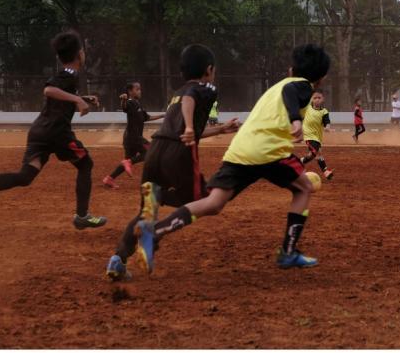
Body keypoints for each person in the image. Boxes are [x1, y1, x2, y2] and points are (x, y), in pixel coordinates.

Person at [132, 44, 330, 274]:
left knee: (214, 203)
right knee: (304, 188)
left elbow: (287, 95)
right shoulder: (301, 86)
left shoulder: (278, 86)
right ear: (321, 78)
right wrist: (296, 120)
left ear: (289, 69)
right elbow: (292, 95)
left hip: (241, 149)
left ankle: (154, 230)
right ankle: (288, 251)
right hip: (268, 152)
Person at [106, 44, 240, 281]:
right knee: (205, 200)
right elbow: (189, 111)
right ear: (209, 69)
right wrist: (189, 126)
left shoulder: (177, 92)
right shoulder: (206, 87)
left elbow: (186, 124)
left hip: (156, 149)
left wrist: (221, 129)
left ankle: (117, 260)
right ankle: (155, 227)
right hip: (179, 153)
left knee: (146, 212)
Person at [0, 31, 106, 230]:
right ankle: (82, 216)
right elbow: (49, 90)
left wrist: (84, 98)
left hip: (40, 132)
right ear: (80, 54)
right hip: (58, 134)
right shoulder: (69, 74)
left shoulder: (69, 76)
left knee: (25, 177)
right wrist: (77, 99)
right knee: (86, 164)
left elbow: (59, 94)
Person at [102, 81, 163, 189]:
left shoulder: (137, 104)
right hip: (134, 138)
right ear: (130, 91)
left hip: (129, 138)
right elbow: (124, 108)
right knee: (151, 152)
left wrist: (163, 115)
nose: (140, 91)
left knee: (126, 162)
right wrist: (123, 99)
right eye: (137, 89)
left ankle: (109, 179)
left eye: (140, 89)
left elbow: (147, 117)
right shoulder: (130, 102)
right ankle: (130, 162)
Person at [300, 90, 334, 181]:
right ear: (311, 99)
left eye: (319, 98)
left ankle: (300, 162)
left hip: (317, 137)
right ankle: (326, 171)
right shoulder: (307, 108)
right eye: (315, 98)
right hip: (308, 135)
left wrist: (327, 127)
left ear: (323, 99)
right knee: (316, 152)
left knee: (315, 155)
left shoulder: (324, 111)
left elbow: (327, 121)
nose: (317, 100)